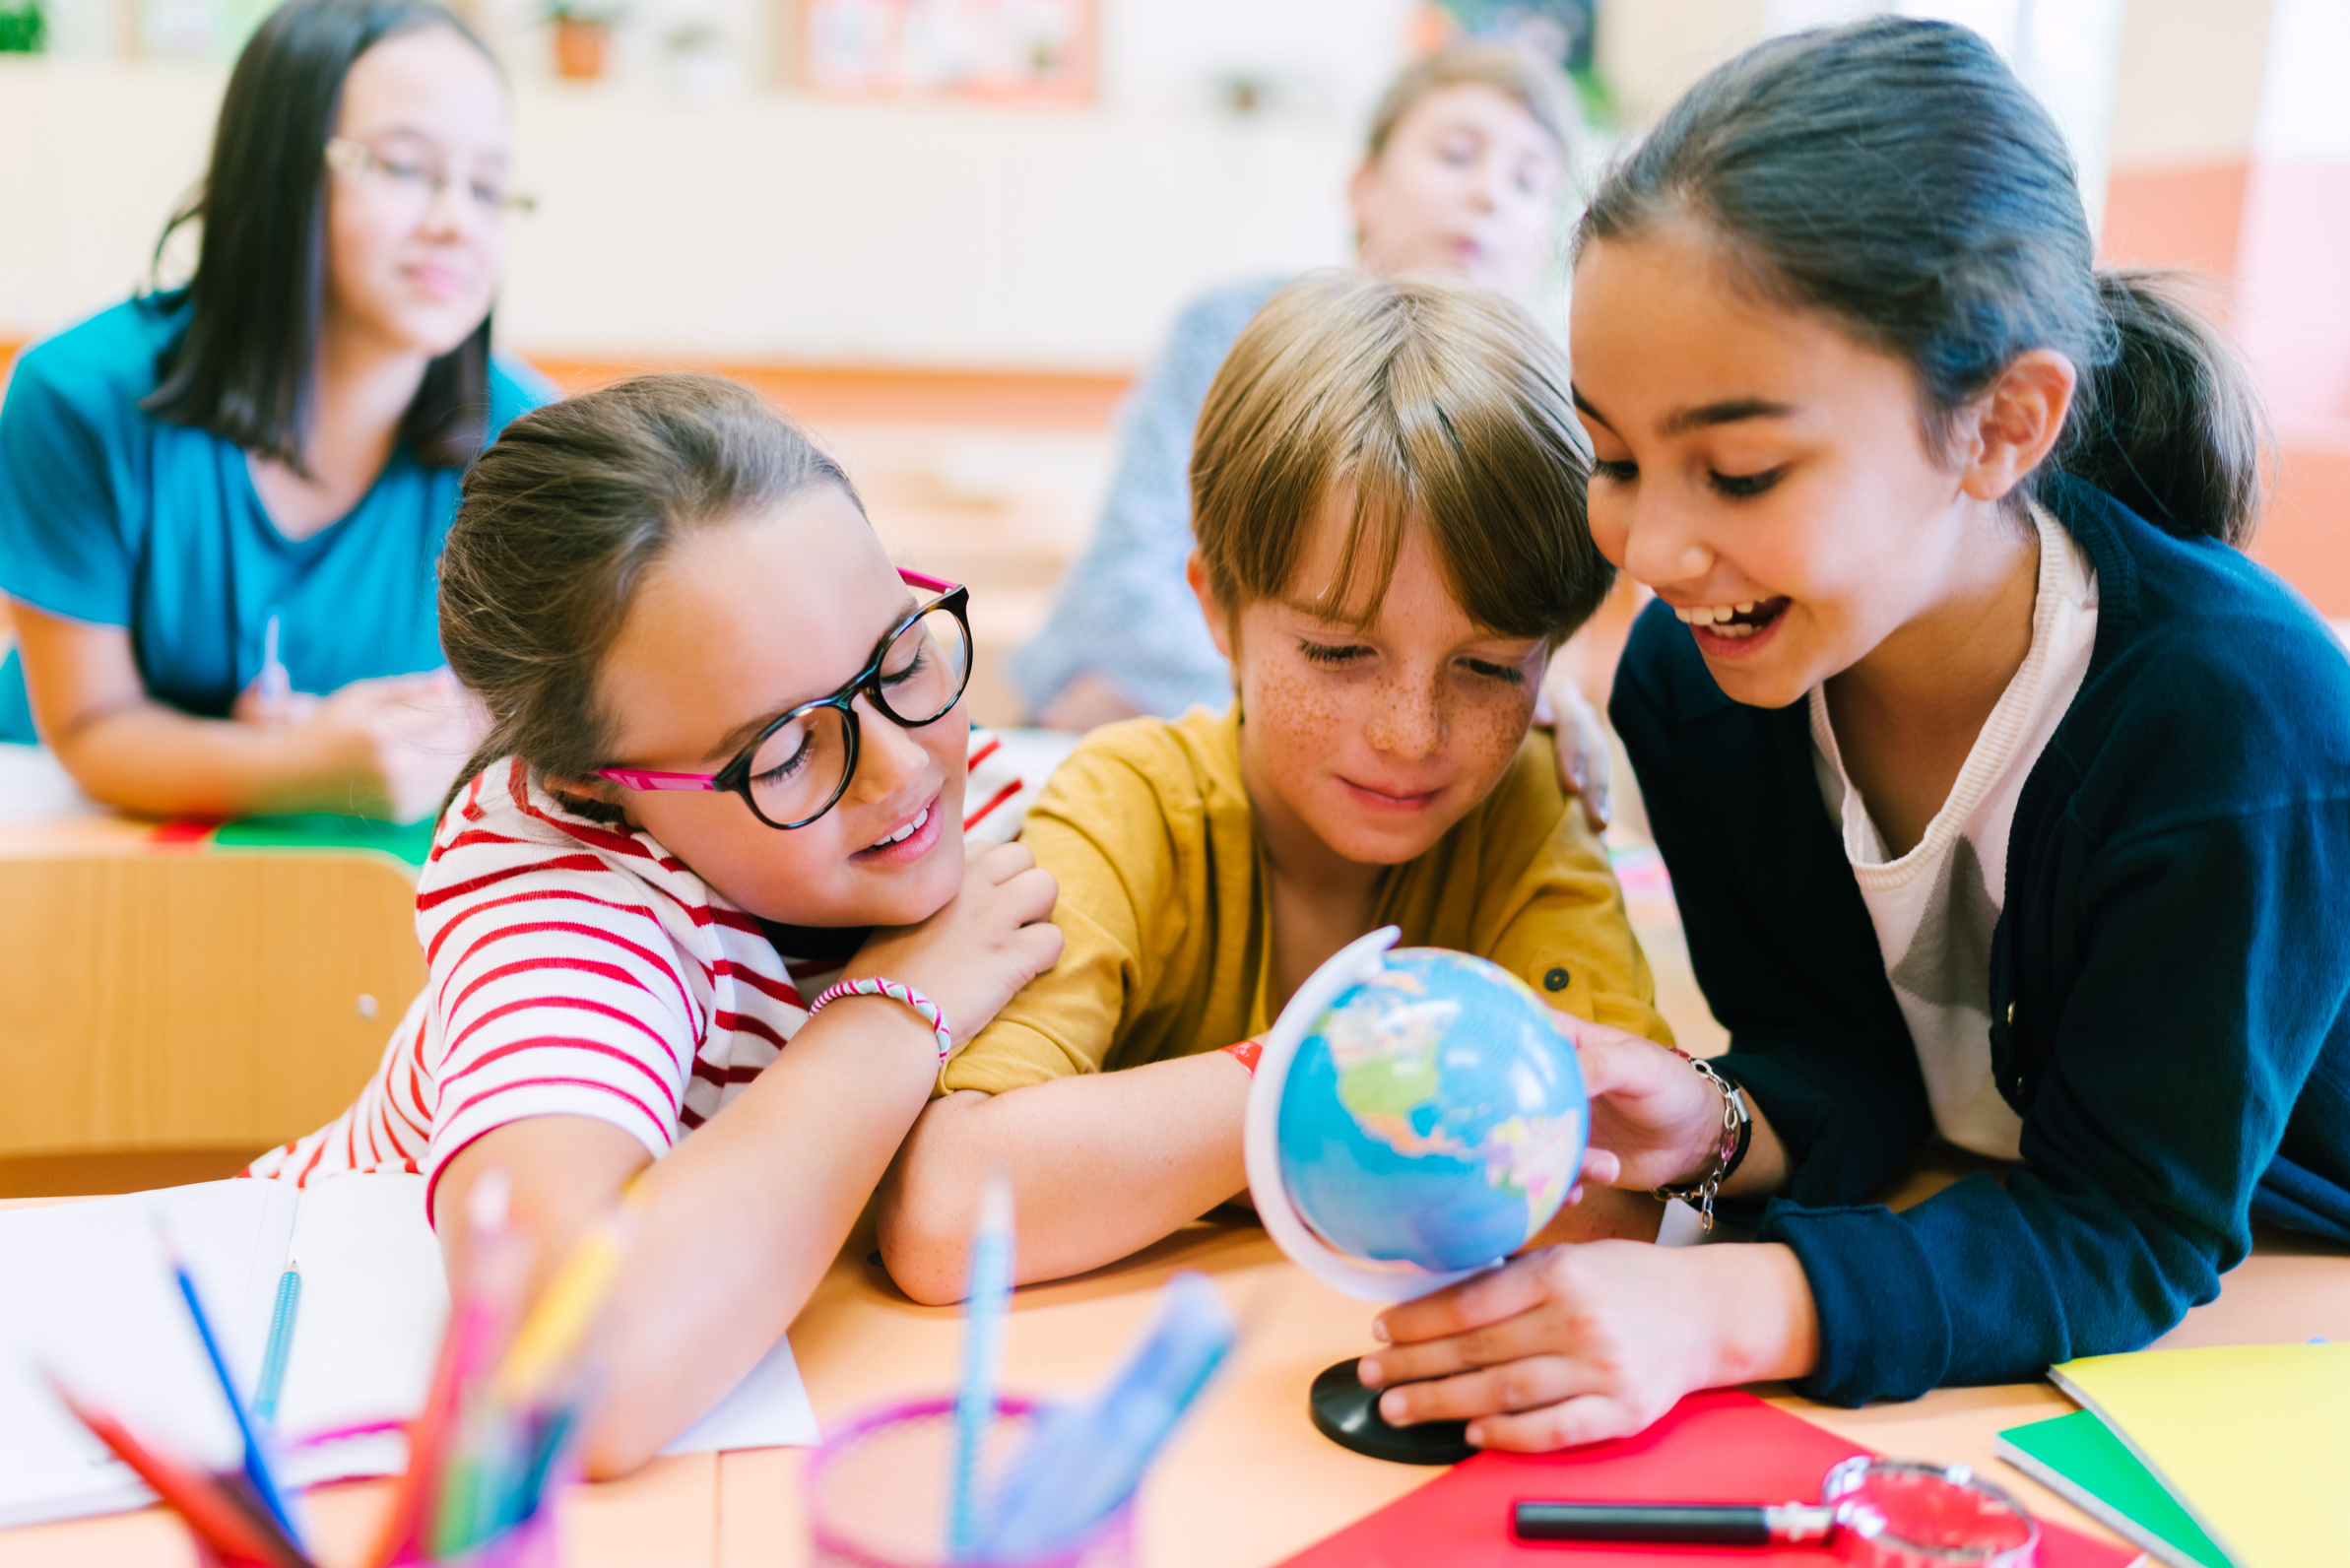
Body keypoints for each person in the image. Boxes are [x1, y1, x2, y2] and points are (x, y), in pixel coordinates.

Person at [1355, 18, 2350, 1453]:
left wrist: (1718, 1314)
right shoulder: (1695, 688)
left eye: (1741, 470)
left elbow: (2128, 1228)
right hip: (1983, 1263)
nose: (1656, 545)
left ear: (2000, 427)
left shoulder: (2232, 723)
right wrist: (1712, 1123)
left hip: (2272, 1312)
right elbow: (1840, 1055)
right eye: (1616, 461)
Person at [248, 374, 1062, 1475]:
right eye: (785, 748)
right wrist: (888, 1017)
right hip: (298, 1421)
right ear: (593, 784)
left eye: (902, 654)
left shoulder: (917, 770)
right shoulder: (560, 890)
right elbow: (561, 1378)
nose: (906, 764)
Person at [878, 273, 1672, 1304]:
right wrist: (1329, 1058)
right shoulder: (1129, 805)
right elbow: (946, 1218)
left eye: (1487, 667)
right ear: (1217, 610)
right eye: (1340, 652)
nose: (1410, 733)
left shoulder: (1524, 803)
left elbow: (1611, 1193)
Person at [1013, 46, 1616, 822]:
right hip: (1115, 746)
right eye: (1456, 153)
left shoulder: (1554, 415)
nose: (1488, 192)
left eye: (1529, 179)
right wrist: (1289, 708)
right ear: (1363, 187)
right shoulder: (1230, 331)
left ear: (1542, 244)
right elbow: (1123, 595)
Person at [0, 0, 549, 822]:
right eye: (404, 167)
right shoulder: (77, 396)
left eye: (488, 187)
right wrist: (292, 763)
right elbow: (89, 725)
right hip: (89, 843)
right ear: (279, 167)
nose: (455, 223)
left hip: (367, 871)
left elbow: (536, 724)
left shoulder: (532, 441)